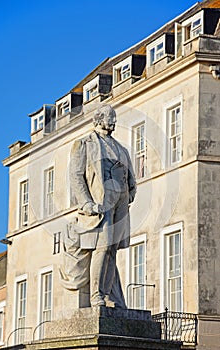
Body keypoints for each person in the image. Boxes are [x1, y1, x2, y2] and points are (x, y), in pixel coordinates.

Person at [66, 104, 136, 307]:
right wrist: (86, 202)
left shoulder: (120, 148)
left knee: (112, 248)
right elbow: (76, 175)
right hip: (101, 202)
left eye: (114, 117)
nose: (113, 121)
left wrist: (131, 191)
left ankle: (107, 294)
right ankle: (96, 294)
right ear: (98, 119)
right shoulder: (84, 144)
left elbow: (129, 174)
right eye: (109, 117)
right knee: (102, 246)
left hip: (121, 201)